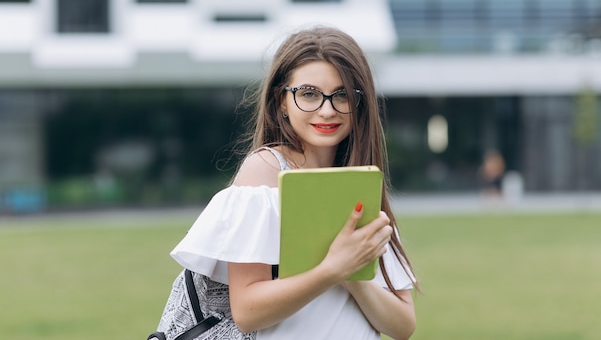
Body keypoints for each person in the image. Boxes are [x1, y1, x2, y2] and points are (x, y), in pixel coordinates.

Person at [169, 26, 418, 340]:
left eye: (342, 94)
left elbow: (403, 325)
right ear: (282, 101)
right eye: (309, 94)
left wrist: (353, 276)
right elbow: (247, 311)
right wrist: (332, 269)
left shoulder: (359, 181)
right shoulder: (265, 171)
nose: (327, 110)